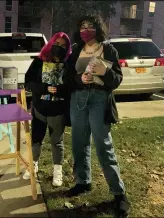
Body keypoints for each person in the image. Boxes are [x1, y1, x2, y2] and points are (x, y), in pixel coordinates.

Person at [65, 14, 130, 217]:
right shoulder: (76, 50)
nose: (85, 30)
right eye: (82, 26)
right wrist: (79, 78)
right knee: (78, 142)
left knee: (103, 144)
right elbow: (67, 77)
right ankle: (82, 181)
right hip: (78, 99)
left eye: (90, 26)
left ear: (98, 29)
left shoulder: (108, 49)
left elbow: (117, 79)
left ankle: (119, 194)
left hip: (100, 99)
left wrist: (105, 72)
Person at [23, 32, 72, 187]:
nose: (59, 48)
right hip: (39, 108)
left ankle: (57, 171)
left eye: (63, 46)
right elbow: (28, 82)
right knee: (36, 139)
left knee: (57, 142)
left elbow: (73, 85)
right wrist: (44, 88)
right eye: (57, 44)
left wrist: (61, 89)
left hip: (58, 111)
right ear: (51, 44)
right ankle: (33, 164)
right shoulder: (39, 62)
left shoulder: (69, 64)